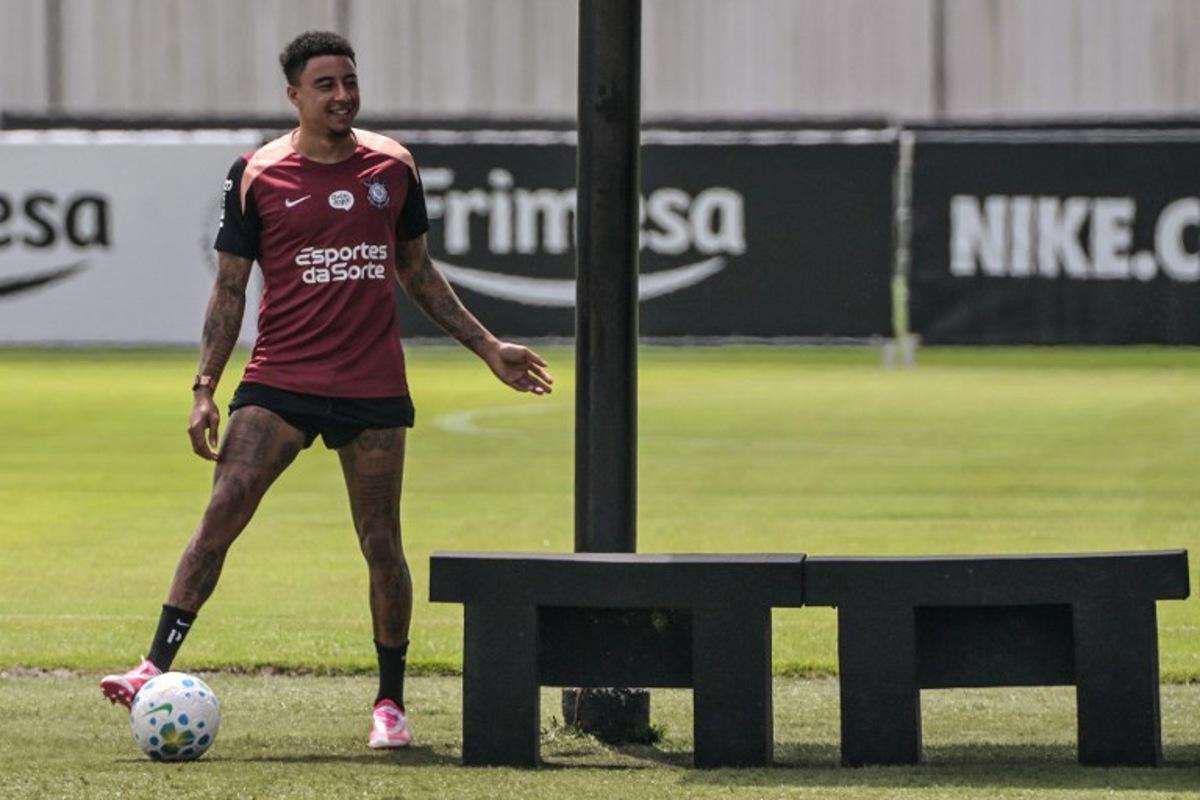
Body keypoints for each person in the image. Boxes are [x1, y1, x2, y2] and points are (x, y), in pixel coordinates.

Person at [100, 30, 553, 750]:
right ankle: (151, 665)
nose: (342, 95)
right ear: (294, 96)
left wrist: (487, 346)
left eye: (349, 81)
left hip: (371, 384)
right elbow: (228, 289)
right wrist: (205, 387)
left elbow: (419, 272)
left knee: (381, 541)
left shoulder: (394, 167)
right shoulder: (256, 173)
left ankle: (390, 706)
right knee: (223, 509)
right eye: (326, 85)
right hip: (280, 379)